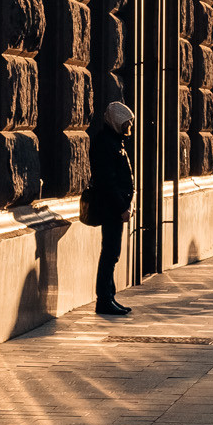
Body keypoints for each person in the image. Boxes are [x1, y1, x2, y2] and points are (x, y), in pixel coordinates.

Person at [90, 100, 137, 317]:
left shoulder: (115, 141)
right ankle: (104, 299)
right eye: (126, 124)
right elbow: (108, 180)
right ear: (117, 123)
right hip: (111, 208)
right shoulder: (106, 143)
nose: (129, 129)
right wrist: (121, 207)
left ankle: (110, 295)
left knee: (113, 253)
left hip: (116, 207)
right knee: (110, 253)